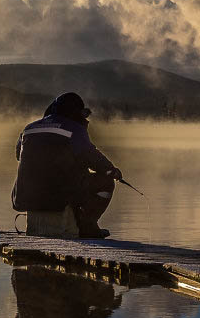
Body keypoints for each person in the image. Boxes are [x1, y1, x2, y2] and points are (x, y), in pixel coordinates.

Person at [11, 91, 121, 238]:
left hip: (27, 196)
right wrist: (111, 170)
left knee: (71, 177)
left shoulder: (28, 129)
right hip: (59, 196)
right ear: (77, 113)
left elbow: (20, 157)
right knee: (105, 181)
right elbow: (91, 157)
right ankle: (87, 226)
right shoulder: (74, 129)